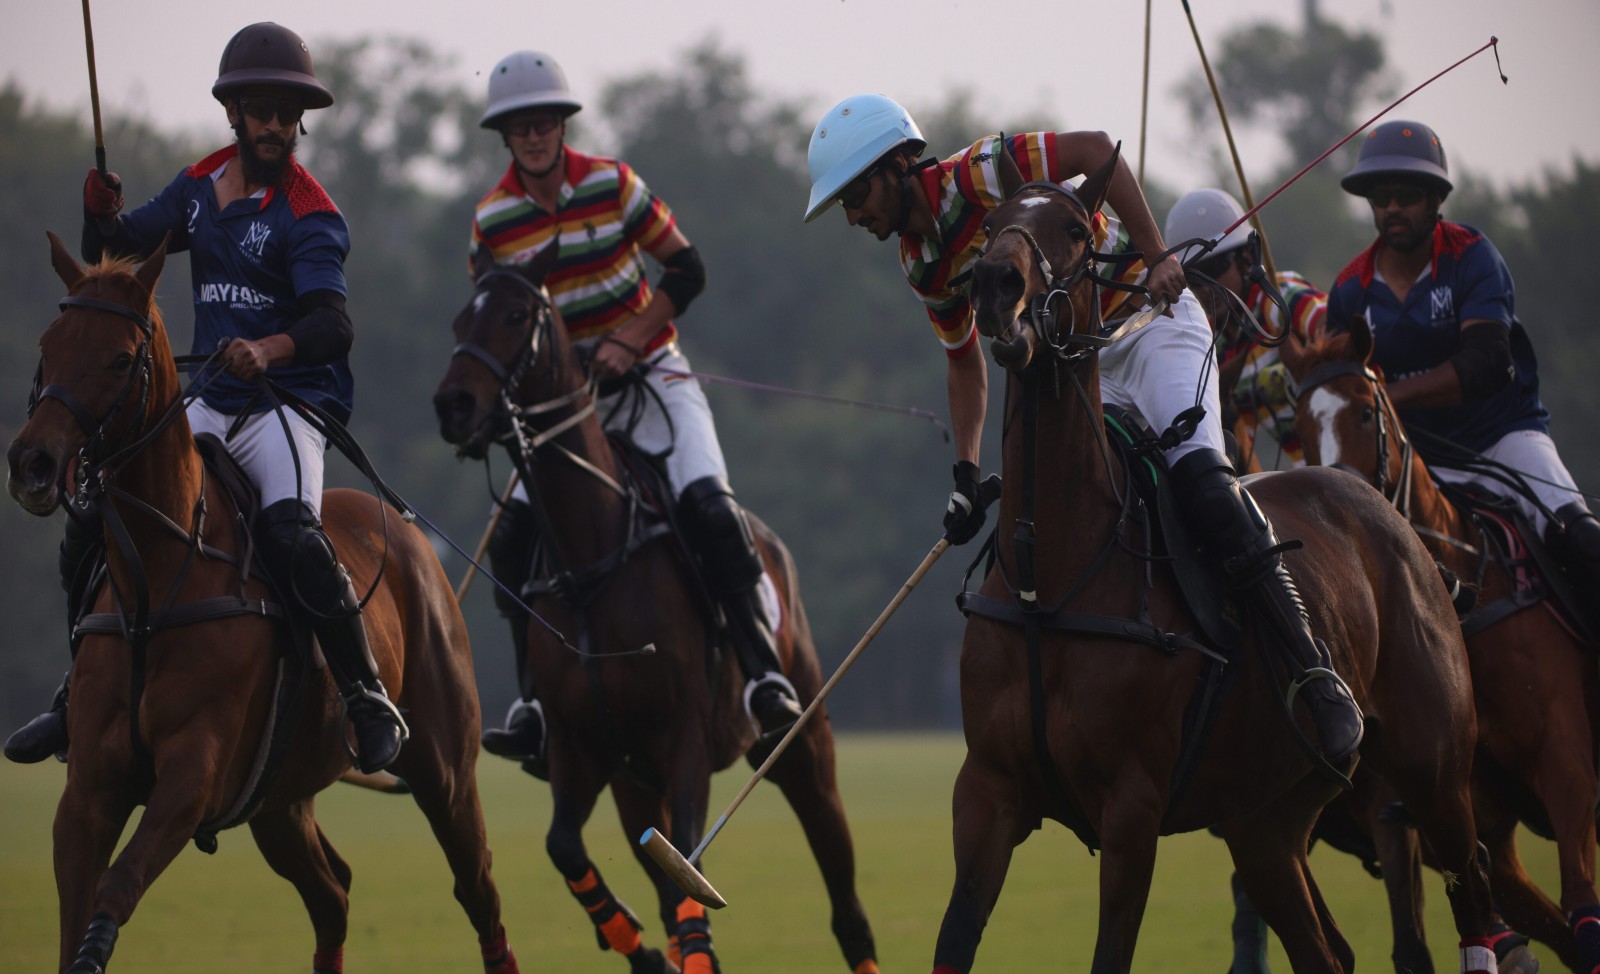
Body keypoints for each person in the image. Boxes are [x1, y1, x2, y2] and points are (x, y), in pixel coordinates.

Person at [803, 96, 1362, 762]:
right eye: (844, 205)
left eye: (855, 195)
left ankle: (1312, 667)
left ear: (898, 164)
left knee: (1203, 482)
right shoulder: (919, 261)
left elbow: (1097, 150)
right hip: (1084, 361)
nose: (853, 215)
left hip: (1152, 323)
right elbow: (964, 362)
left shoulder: (980, 171)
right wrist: (966, 474)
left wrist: (1158, 256)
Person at [4, 21, 407, 773]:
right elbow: (112, 254)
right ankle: (74, 691)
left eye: (288, 113)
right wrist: (100, 214)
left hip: (288, 405)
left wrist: (267, 348)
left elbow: (332, 325)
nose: (276, 126)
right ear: (233, 112)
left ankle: (364, 694)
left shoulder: (310, 213)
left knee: (292, 535)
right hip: (212, 398)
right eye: (262, 110)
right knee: (94, 516)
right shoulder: (198, 186)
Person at [469, 51, 804, 771]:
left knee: (710, 507)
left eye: (544, 122)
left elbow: (687, 269)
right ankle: (533, 705)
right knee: (512, 537)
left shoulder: (613, 184)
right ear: (504, 135)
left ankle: (762, 675)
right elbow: (496, 317)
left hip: (653, 378)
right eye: (520, 127)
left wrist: (628, 339)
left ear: (562, 125)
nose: (534, 136)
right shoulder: (493, 221)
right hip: (567, 409)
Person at [1327, 119, 1600, 622]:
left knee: (1582, 538)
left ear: (1436, 199)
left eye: (1408, 195)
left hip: (1502, 437)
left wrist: (1388, 397)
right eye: (1381, 196)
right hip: (1416, 457)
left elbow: (1487, 365)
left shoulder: (1472, 256)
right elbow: (1342, 390)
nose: (1392, 207)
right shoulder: (1349, 289)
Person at [1163, 187, 1328, 470]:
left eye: (1214, 268)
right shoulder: (1206, 341)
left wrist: (1305, 363)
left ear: (1247, 258)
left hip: (1351, 462)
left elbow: (1337, 331)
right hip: (1300, 479)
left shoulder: (1279, 298)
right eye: (1193, 277)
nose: (1206, 287)